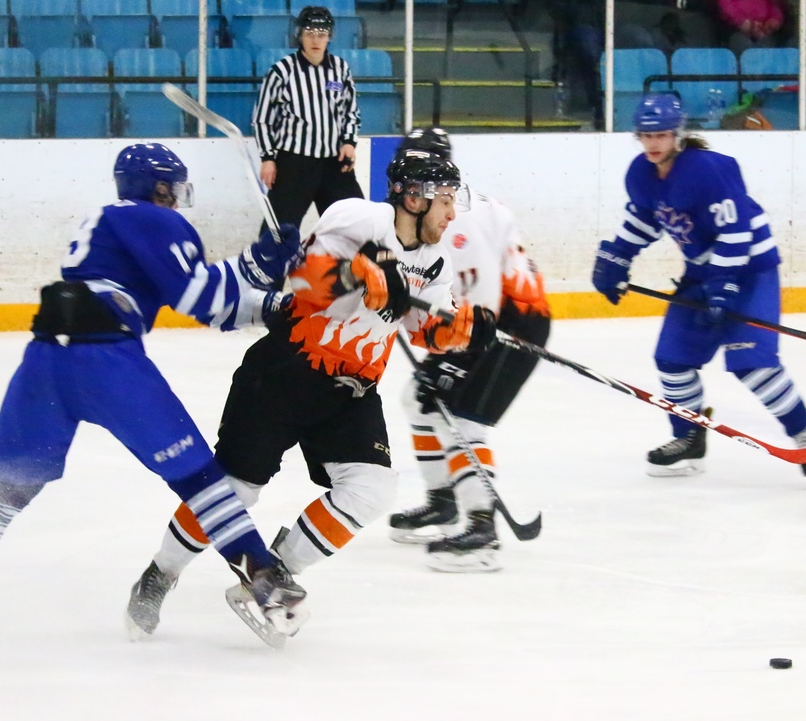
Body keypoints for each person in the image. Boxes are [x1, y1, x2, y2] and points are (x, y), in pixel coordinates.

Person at [0, 143, 310, 639]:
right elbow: (199, 296)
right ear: (159, 188)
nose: (178, 199)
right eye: (174, 189)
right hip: (104, 363)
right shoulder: (154, 219)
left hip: (45, 360)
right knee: (199, 476)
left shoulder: (108, 221)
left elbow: (205, 300)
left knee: (11, 484)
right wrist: (260, 270)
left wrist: (266, 295)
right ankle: (265, 580)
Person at [124, 149, 499, 636]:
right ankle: (160, 574)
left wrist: (462, 329)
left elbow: (422, 326)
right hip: (286, 372)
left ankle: (273, 573)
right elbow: (302, 280)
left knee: (370, 490)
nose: (452, 214)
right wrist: (356, 274)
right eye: (445, 200)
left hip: (352, 390)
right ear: (413, 198)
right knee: (237, 489)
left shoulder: (435, 261)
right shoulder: (357, 218)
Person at [591, 94, 806, 478]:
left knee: (752, 363)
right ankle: (689, 437)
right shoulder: (641, 173)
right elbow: (644, 219)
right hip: (703, 273)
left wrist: (724, 283)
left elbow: (736, 229)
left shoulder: (708, 169)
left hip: (750, 270)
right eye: (646, 135)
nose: (652, 143)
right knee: (672, 360)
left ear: (678, 135)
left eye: (661, 135)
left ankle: (804, 432)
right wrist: (616, 258)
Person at [386, 128, 551, 573]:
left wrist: (455, 362)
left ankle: (482, 529)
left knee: (461, 418)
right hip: (473, 321)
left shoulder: (464, 220)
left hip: (511, 325)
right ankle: (442, 502)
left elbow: (483, 303)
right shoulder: (426, 210)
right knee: (419, 399)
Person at [252, 5, 364, 232]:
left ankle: (368, 257)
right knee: (277, 232)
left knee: (358, 225)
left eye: (321, 34)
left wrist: (349, 142)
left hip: (334, 163)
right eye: (309, 33)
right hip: (294, 164)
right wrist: (268, 158)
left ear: (329, 36)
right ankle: (268, 258)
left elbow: (350, 111)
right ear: (299, 35)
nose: (315, 40)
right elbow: (262, 119)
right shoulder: (281, 71)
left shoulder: (340, 69)